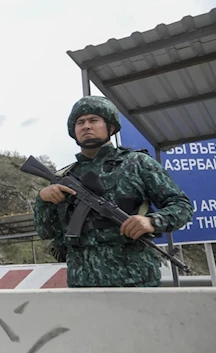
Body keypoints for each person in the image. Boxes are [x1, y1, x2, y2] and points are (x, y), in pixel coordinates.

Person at [33, 95, 193, 288]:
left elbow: (182, 205)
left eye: (94, 120)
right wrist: (43, 199)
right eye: (80, 122)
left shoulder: (137, 163)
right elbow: (46, 231)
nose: (86, 126)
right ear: (74, 131)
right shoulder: (65, 175)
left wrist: (152, 221)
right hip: (82, 282)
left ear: (110, 127)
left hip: (135, 279)